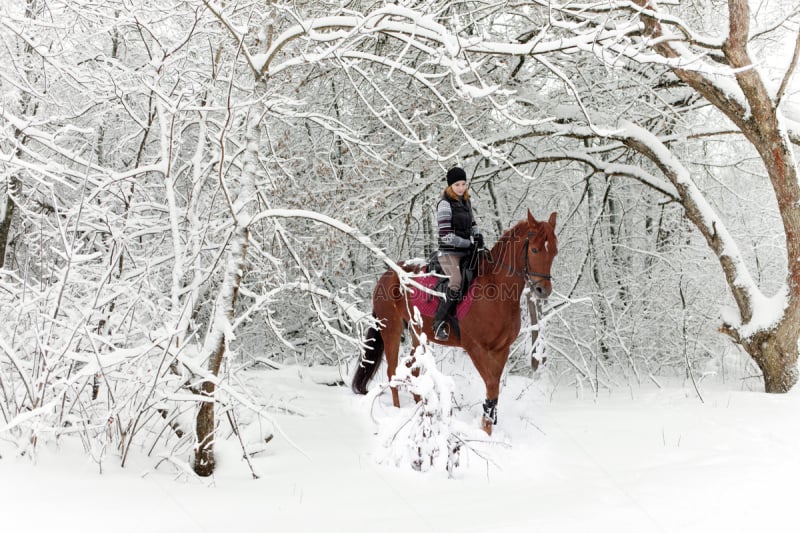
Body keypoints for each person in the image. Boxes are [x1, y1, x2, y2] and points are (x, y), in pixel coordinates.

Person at [433, 166, 484, 341]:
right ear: (450, 186)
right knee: (456, 281)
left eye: (463, 184)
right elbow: (445, 236)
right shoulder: (444, 205)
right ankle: (438, 322)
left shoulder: (466, 201)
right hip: (448, 253)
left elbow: (473, 223)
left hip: (466, 251)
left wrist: (477, 235)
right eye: (457, 185)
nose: (461, 188)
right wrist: (468, 243)